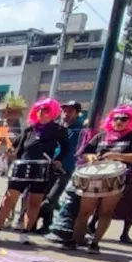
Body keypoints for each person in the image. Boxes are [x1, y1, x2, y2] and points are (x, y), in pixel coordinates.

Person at [0, 99, 67, 244]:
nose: (42, 113)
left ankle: (25, 232)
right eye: (39, 110)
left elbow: (65, 148)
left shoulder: (59, 130)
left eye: (46, 110)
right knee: (8, 199)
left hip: (41, 168)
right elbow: (17, 147)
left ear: (51, 112)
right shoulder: (30, 129)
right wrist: (9, 152)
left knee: (34, 202)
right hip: (22, 166)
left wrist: (58, 159)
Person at [65, 106, 132, 253]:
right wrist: (90, 157)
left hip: (116, 177)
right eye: (116, 118)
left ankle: (95, 243)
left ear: (130, 121)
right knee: (84, 211)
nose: (119, 121)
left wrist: (117, 156)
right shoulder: (102, 136)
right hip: (94, 175)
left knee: (106, 212)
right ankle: (76, 240)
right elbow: (84, 153)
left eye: (124, 119)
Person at [40, 101, 87, 237]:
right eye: (64, 111)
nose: (66, 114)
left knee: (51, 199)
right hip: (51, 164)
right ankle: (46, 225)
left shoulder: (81, 130)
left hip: (67, 168)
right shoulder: (58, 127)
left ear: (77, 114)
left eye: (70, 112)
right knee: (44, 194)